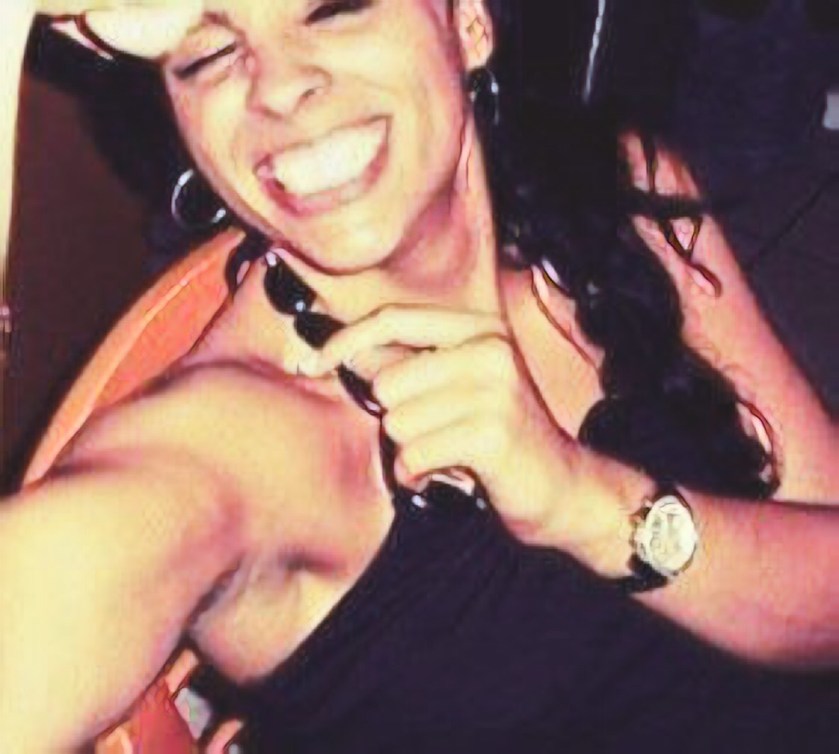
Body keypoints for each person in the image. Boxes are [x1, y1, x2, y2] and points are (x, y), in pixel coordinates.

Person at [2, 0, 839, 751]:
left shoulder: (614, 187)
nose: (279, 87)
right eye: (209, 54)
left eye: (335, 9)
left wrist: (585, 501)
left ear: (467, 23)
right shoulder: (225, 455)